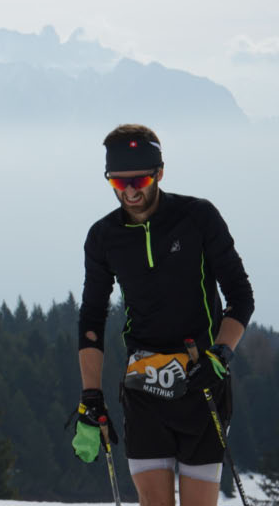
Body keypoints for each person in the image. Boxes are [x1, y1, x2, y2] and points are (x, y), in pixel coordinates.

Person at [71, 124, 254, 506]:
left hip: (201, 382)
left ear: (159, 173)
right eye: (118, 183)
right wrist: (91, 396)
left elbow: (240, 296)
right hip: (144, 386)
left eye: (138, 180)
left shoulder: (198, 217)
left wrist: (220, 355)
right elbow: (91, 319)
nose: (130, 192)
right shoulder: (103, 236)